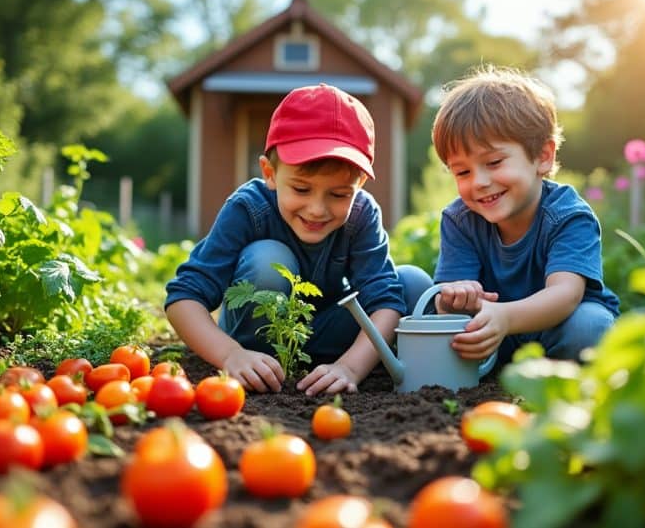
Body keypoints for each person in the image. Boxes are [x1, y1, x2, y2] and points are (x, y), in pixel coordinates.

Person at [165, 84, 431, 396]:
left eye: (339, 194)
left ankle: (338, 367)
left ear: (359, 185)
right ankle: (259, 366)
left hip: (329, 336)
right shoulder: (248, 208)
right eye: (301, 190)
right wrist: (230, 355)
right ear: (270, 173)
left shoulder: (361, 214)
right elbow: (183, 298)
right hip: (256, 337)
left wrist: (350, 367)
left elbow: (385, 300)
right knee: (268, 260)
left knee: (413, 283)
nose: (317, 209)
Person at [429, 66, 620, 367]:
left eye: (493, 162)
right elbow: (449, 299)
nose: (478, 181)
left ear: (543, 157)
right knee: (411, 286)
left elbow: (565, 295)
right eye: (463, 171)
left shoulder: (568, 216)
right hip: (495, 334)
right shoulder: (460, 219)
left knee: (590, 326)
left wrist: (505, 316)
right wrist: (453, 298)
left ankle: (559, 380)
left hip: (555, 330)